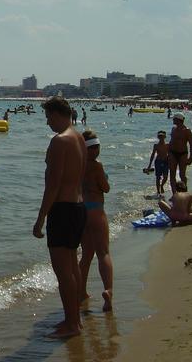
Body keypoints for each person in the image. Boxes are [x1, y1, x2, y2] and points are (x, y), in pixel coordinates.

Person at [33, 96, 87, 338]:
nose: (47, 123)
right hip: (78, 207)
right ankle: (74, 319)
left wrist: (40, 218)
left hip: (63, 209)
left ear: (57, 114)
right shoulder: (79, 138)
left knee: (63, 271)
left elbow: (53, 185)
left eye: (48, 117)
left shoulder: (60, 141)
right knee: (72, 266)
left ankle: (72, 324)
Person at [78, 130, 114, 312]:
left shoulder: (78, 165)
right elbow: (105, 188)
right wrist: (105, 179)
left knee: (86, 255)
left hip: (82, 211)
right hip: (96, 210)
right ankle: (108, 291)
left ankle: (81, 291)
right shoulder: (97, 165)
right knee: (103, 253)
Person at [168, 112, 192, 196]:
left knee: (182, 174)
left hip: (183, 153)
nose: (173, 120)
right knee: (172, 174)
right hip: (172, 153)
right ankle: (174, 194)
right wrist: (168, 153)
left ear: (178, 120)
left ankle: (184, 192)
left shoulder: (187, 131)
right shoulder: (173, 129)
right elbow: (171, 141)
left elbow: (191, 144)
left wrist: (190, 158)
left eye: (174, 119)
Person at [144, 130, 169, 195]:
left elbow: (170, 154)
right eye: (159, 136)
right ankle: (158, 191)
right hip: (158, 161)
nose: (161, 137)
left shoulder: (167, 145)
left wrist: (171, 162)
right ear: (158, 137)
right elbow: (152, 155)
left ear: (165, 137)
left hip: (165, 161)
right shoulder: (156, 145)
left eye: (162, 136)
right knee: (158, 177)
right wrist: (149, 165)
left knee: (165, 177)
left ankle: (162, 185)